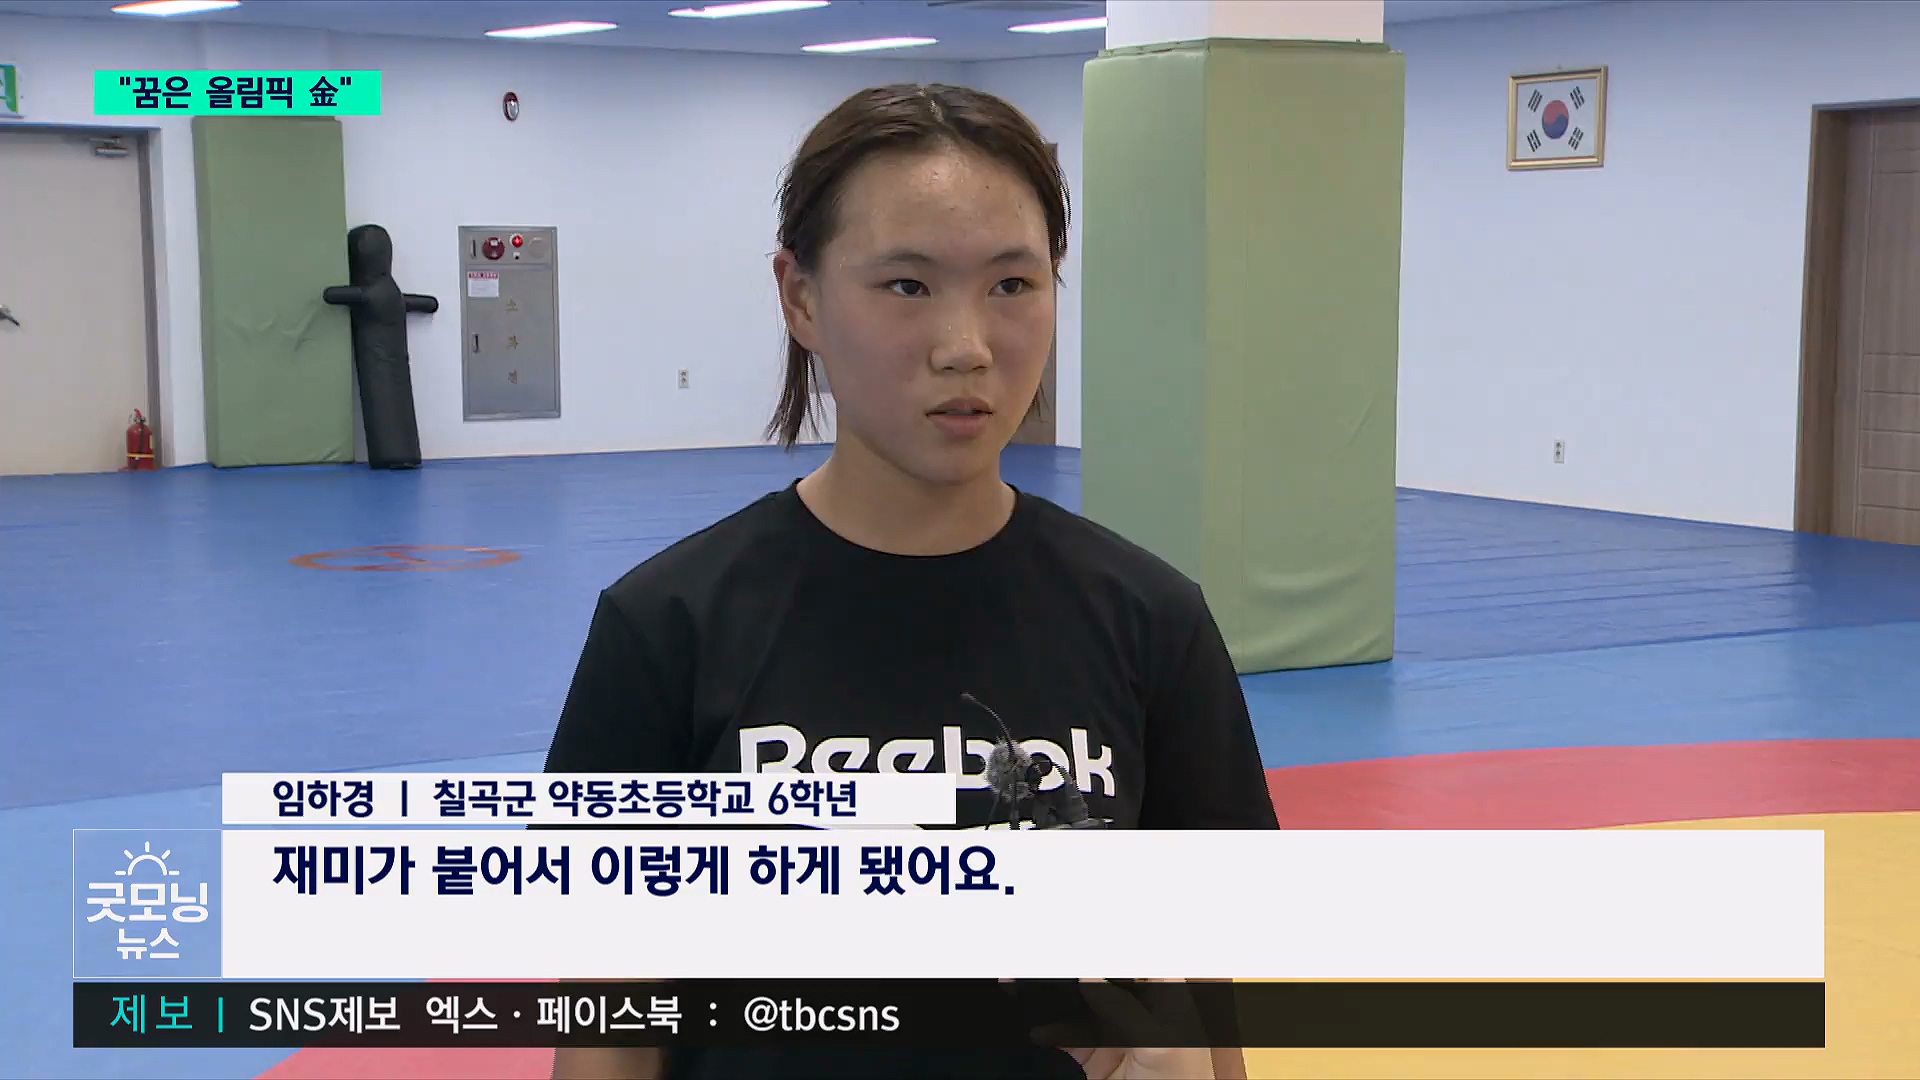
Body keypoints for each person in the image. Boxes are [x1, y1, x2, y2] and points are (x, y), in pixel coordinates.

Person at [545, 82, 1278, 1080]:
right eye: (906, 285)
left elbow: (1208, 1012)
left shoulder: (1153, 624)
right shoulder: (667, 630)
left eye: (1012, 284)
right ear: (801, 297)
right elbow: (610, 1031)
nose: (966, 347)